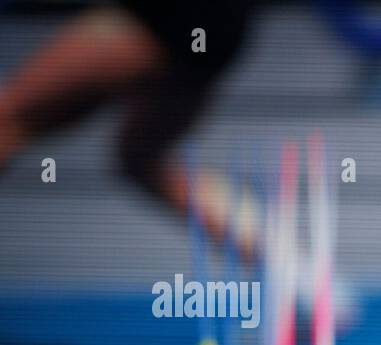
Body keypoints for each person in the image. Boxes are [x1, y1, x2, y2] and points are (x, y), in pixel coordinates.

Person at [0, 0, 261, 256]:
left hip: (174, 17)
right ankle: (275, 251)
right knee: (141, 160)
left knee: (7, 120)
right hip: (215, 27)